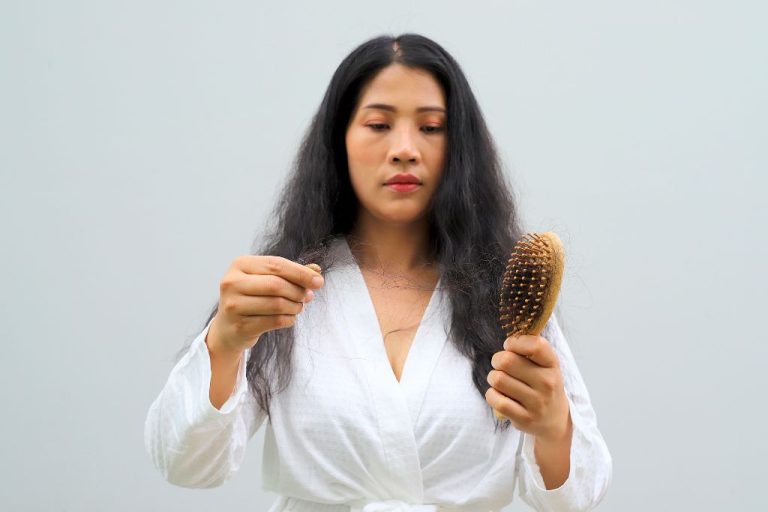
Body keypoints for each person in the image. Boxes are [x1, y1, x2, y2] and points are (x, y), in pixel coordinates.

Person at [144, 33, 612, 511]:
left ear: (460, 148)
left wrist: (554, 424)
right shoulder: (281, 293)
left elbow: (578, 496)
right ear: (339, 139)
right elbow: (183, 464)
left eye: (431, 127)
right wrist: (224, 340)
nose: (405, 149)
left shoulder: (507, 297)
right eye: (378, 124)